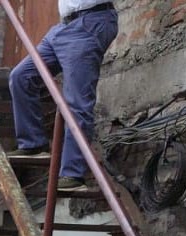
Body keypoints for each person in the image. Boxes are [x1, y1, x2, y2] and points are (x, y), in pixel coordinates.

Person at [7, 1, 119, 192]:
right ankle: (33, 144)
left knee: (77, 102)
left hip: (89, 22)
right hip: (63, 26)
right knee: (21, 77)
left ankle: (72, 174)